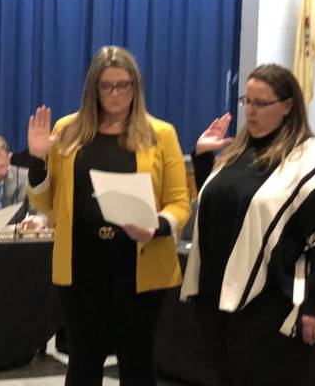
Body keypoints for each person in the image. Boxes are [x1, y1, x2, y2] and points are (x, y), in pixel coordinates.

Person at [26, 45, 191, 386]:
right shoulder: (68, 130)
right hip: (81, 264)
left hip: (140, 263)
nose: (116, 94)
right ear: (93, 88)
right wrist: (38, 158)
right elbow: (46, 203)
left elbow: (179, 203)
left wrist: (157, 226)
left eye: (124, 85)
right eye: (107, 85)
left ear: (136, 86)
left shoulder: (161, 134)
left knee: (137, 361)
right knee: (84, 360)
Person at [180, 64, 315, 386]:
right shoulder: (238, 152)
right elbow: (220, 209)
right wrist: (202, 158)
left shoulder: (312, 159)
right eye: (247, 101)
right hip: (217, 298)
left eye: (261, 103)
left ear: (287, 106)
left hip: (270, 305)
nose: (251, 112)